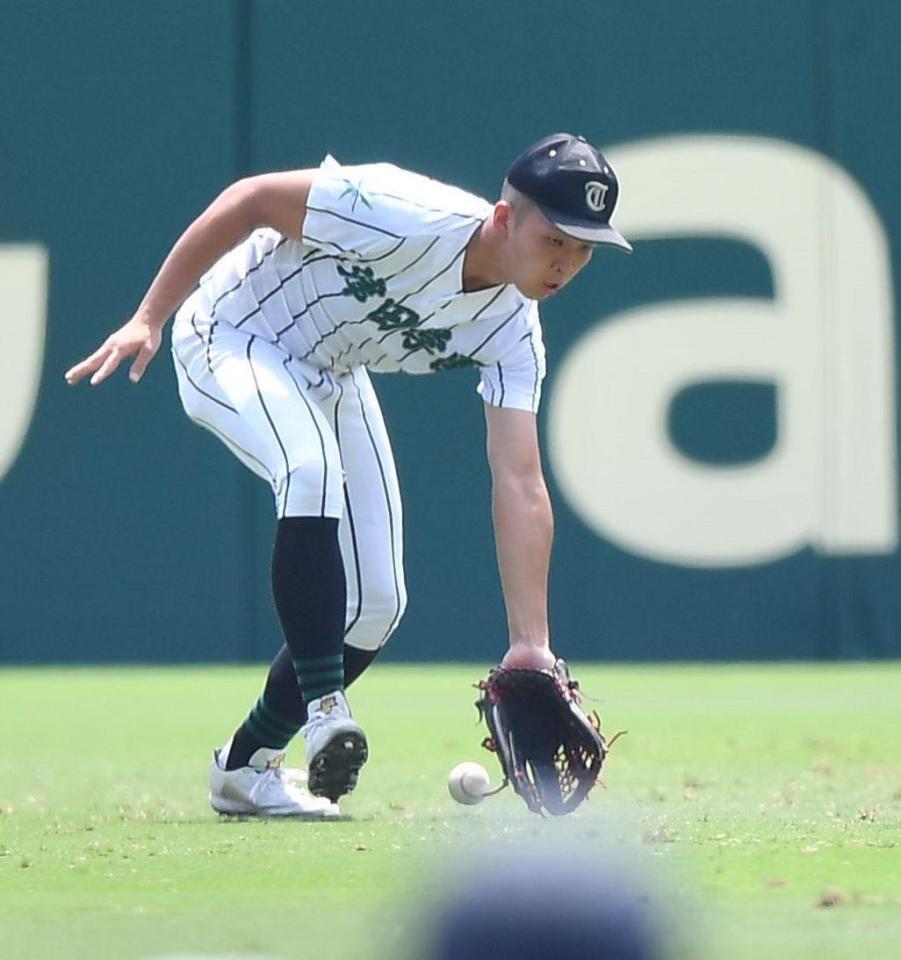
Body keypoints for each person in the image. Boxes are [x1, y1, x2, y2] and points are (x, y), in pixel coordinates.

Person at [65, 133, 632, 818]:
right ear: (506, 218)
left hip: (329, 371)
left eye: (583, 248)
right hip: (232, 331)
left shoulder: (514, 331)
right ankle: (325, 708)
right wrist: (148, 317)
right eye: (555, 239)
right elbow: (249, 201)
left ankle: (245, 766)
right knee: (309, 468)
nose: (566, 263)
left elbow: (520, 481)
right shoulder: (402, 210)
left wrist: (530, 644)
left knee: (376, 605)